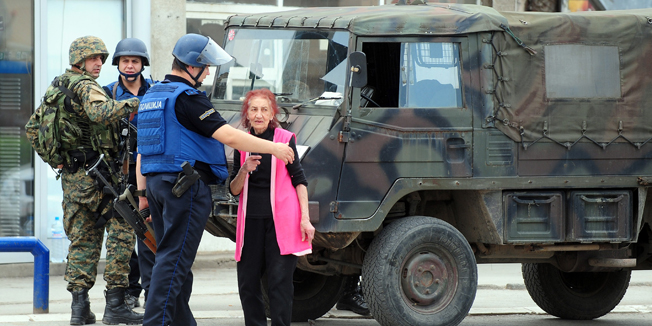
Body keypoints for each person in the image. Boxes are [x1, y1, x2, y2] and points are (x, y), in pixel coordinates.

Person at [136, 33, 296, 326]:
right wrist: (273, 147)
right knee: (173, 262)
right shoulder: (188, 99)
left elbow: (140, 151)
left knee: (172, 261)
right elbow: (228, 135)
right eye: (205, 66)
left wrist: (142, 195)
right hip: (182, 189)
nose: (208, 72)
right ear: (191, 66)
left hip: (157, 186)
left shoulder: (152, 96)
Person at [57, 35, 143, 325]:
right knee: (122, 232)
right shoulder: (85, 86)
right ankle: (116, 306)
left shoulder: (57, 87)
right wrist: (132, 104)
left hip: (73, 181)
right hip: (100, 179)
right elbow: (99, 111)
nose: (99, 64)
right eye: (94, 58)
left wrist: (57, 160)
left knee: (82, 241)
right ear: (79, 60)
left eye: (102, 59)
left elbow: (33, 129)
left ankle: (79, 310)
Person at [229, 88, 315, 326]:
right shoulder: (241, 141)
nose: (259, 114)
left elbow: (300, 181)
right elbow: (234, 190)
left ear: (272, 113)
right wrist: (244, 169)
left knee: (279, 282)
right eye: (254, 109)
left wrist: (305, 219)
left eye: (264, 109)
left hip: (282, 224)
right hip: (251, 222)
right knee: (247, 283)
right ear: (247, 113)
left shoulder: (285, 139)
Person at [102, 37, 156, 310]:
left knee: (148, 233)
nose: (131, 65)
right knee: (123, 233)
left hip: (148, 170)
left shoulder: (157, 91)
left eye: (135, 61)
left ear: (143, 64)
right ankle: (131, 289)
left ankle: (152, 290)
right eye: (125, 60)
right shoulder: (107, 93)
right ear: (118, 64)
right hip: (118, 173)